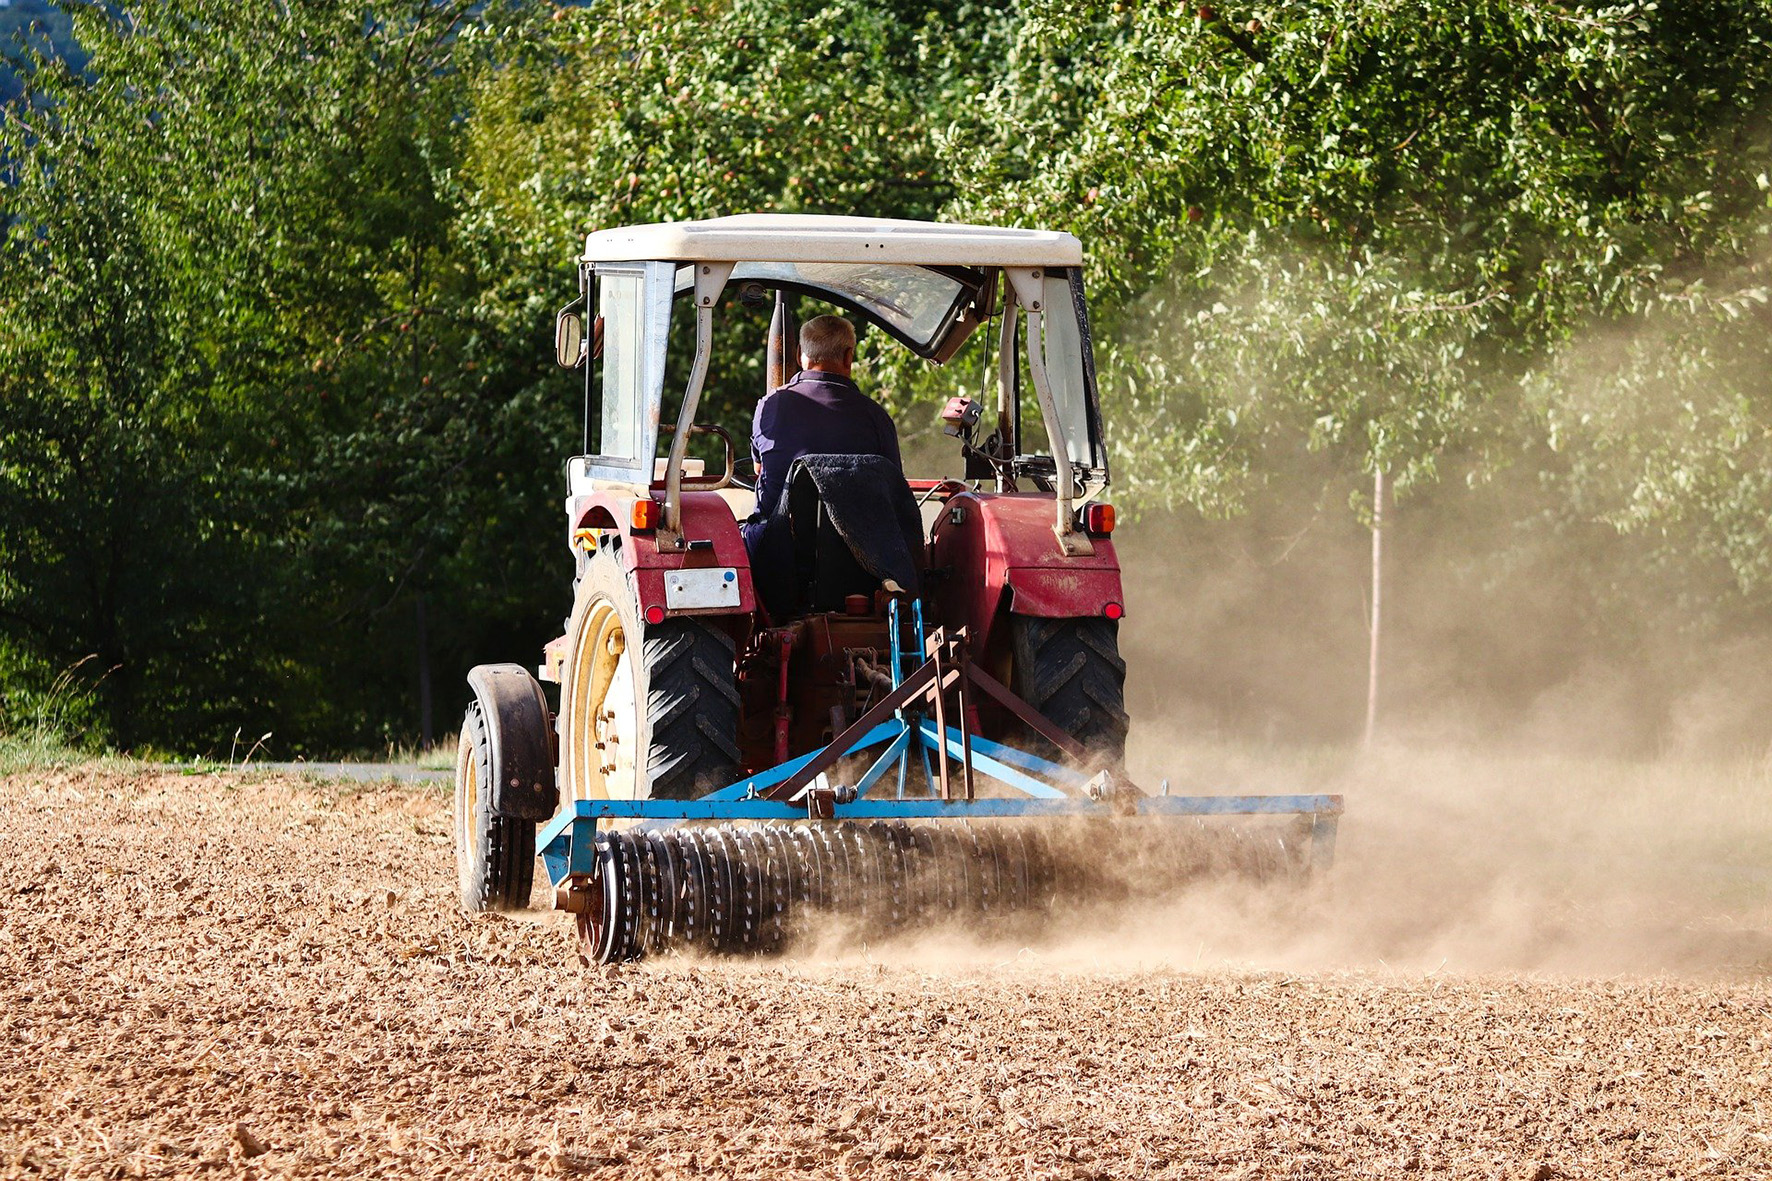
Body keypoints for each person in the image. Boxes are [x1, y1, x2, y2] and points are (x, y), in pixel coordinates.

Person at [744, 313, 902, 528]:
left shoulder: (769, 405)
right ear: (849, 356)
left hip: (776, 549)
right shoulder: (876, 417)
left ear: (800, 355)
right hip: (851, 556)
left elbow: (759, 468)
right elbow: (895, 493)